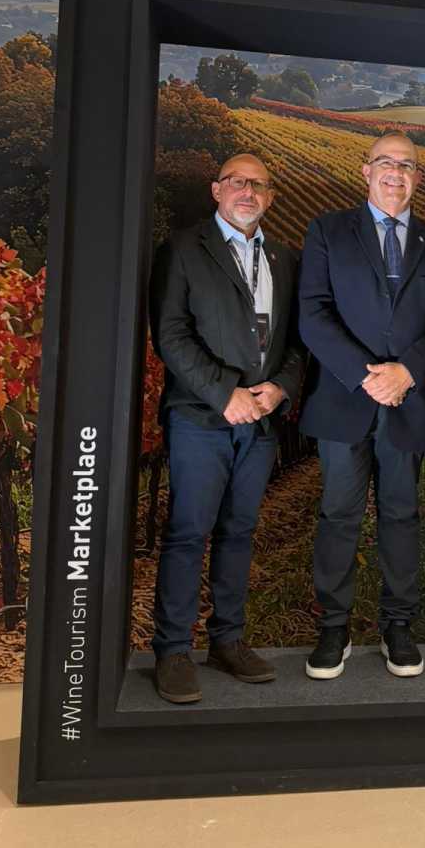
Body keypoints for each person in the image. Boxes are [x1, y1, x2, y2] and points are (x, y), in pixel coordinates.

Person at [298, 131, 425, 680]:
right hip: (344, 397)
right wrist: (365, 376)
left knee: (401, 516)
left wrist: (406, 373)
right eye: (386, 163)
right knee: (338, 515)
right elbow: (313, 314)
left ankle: (398, 627)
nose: (396, 173)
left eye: (407, 165)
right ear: (366, 171)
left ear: (418, 176)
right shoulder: (327, 231)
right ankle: (334, 628)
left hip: (408, 401)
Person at [148, 153, 305, 704]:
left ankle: (227, 640)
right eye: (237, 182)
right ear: (217, 190)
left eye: (258, 185)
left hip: (260, 420)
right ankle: (172, 650)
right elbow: (170, 335)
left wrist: (280, 387)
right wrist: (224, 393)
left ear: (271, 197)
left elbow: (296, 341)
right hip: (200, 417)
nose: (248, 192)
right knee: (189, 532)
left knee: (239, 532)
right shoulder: (183, 250)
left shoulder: (284, 258)